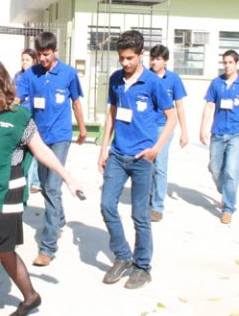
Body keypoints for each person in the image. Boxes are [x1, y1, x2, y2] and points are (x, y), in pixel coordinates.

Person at [0, 58, 84, 316]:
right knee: (4, 252)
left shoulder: (19, 117)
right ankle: (31, 297)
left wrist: (67, 177)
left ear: (0, 86)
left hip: (5, 196)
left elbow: (40, 149)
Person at [98, 30, 175, 289]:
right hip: (118, 155)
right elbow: (111, 114)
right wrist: (103, 149)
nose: (125, 63)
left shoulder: (154, 83)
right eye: (121, 58)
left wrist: (155, 149)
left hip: (142, 158)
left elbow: (171, 117)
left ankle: (143, 267)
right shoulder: (116, 80)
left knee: (140, 215)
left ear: (140, 54)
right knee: (107, 205)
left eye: (129, 58)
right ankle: (122, 256)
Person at [16, 31, 88, 267]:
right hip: (37, 137)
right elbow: (16, 99)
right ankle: (59, 220)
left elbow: (76, 102)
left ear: (55, 51)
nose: (43, 59)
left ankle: (48, 247)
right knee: (47, 187)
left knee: (52, 187)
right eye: (39, 55)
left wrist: (83, 128)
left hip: (60, 137)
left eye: (46, 55)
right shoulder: (30, 74)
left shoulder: (67, 74)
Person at [199, 49, 239, 225]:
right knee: (215, 169)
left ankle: (228, 208)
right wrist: (203, 128)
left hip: (236, 134)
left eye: (230, 62)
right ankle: (225, 191)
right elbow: (209, 105)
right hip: (217, 133)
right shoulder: (216, 83)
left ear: (237, 64)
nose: (227, 65)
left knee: (231, 171)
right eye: (225, 62)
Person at [148, 44, 188, 222]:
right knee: (145, 165)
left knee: (160, 166)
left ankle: (157, 206)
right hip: (146, 127)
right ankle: (148, 196)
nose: (154, 62)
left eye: (158, 59)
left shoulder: (173, 79)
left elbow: (179, 106)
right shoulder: (145, 76)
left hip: (164, 127)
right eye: (152, 58)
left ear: (165, 61)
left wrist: (184, 132)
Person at [14, 48, 42, 194]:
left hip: (33, 116)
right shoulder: (18, 76)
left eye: (27, 60)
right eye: (23, 59)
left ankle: (35, 181)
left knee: (34, 149)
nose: (24, 62)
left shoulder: (37, 77)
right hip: (20, 116)